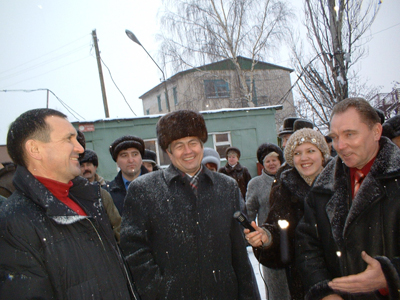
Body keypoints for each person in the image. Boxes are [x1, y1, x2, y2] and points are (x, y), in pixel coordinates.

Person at [121, 109, 261, 300]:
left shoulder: (227, 187)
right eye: (179, 145)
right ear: (168, 152)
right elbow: (134, 251)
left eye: (193, 143)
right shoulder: (144, 190)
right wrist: (160, 290)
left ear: (202, 146)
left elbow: (239, 252)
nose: (188, 151)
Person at [0, 108, 139, 299]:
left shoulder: (89, 198)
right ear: (35, 149)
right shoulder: (13, 223)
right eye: (68, 139)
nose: (80, 149)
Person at [296, 97, 400, 299]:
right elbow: (307, 247)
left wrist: (391, 274)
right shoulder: (322, 188)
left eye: (349, 134)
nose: (340, 146)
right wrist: (324, 291)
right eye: (334, 137)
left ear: (376, 132)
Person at [245, 128, 331, 300]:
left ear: (322, 154)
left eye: (310, 151)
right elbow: (278, 228)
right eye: (297, 153)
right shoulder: (285, 188)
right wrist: (266, 237)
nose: (304, 158)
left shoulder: (341, 181)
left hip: (344, 276)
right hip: (303, 280)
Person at [246, 143, 290, 300]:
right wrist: (251, 233)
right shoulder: (256, 184)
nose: (272, 163)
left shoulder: (290, 179)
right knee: (277, 289)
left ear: (280, 161)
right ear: (262, 164)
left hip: (293, 240)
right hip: (269, 243)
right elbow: (249, 213)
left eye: (274, 160)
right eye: (267, 161)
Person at [79, 148, 121, 242]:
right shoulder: (75, 193)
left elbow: (116, 223)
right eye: (82, 165)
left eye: (89, 165)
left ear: (95, 167)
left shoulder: (106, 190)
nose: (86, 168)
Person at [106, 135, 148, 215]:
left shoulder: (159, 185)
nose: (131, 160)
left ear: (141, 158)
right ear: (117, 162)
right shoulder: (108, 193)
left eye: (135, 154)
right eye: (124, 155)